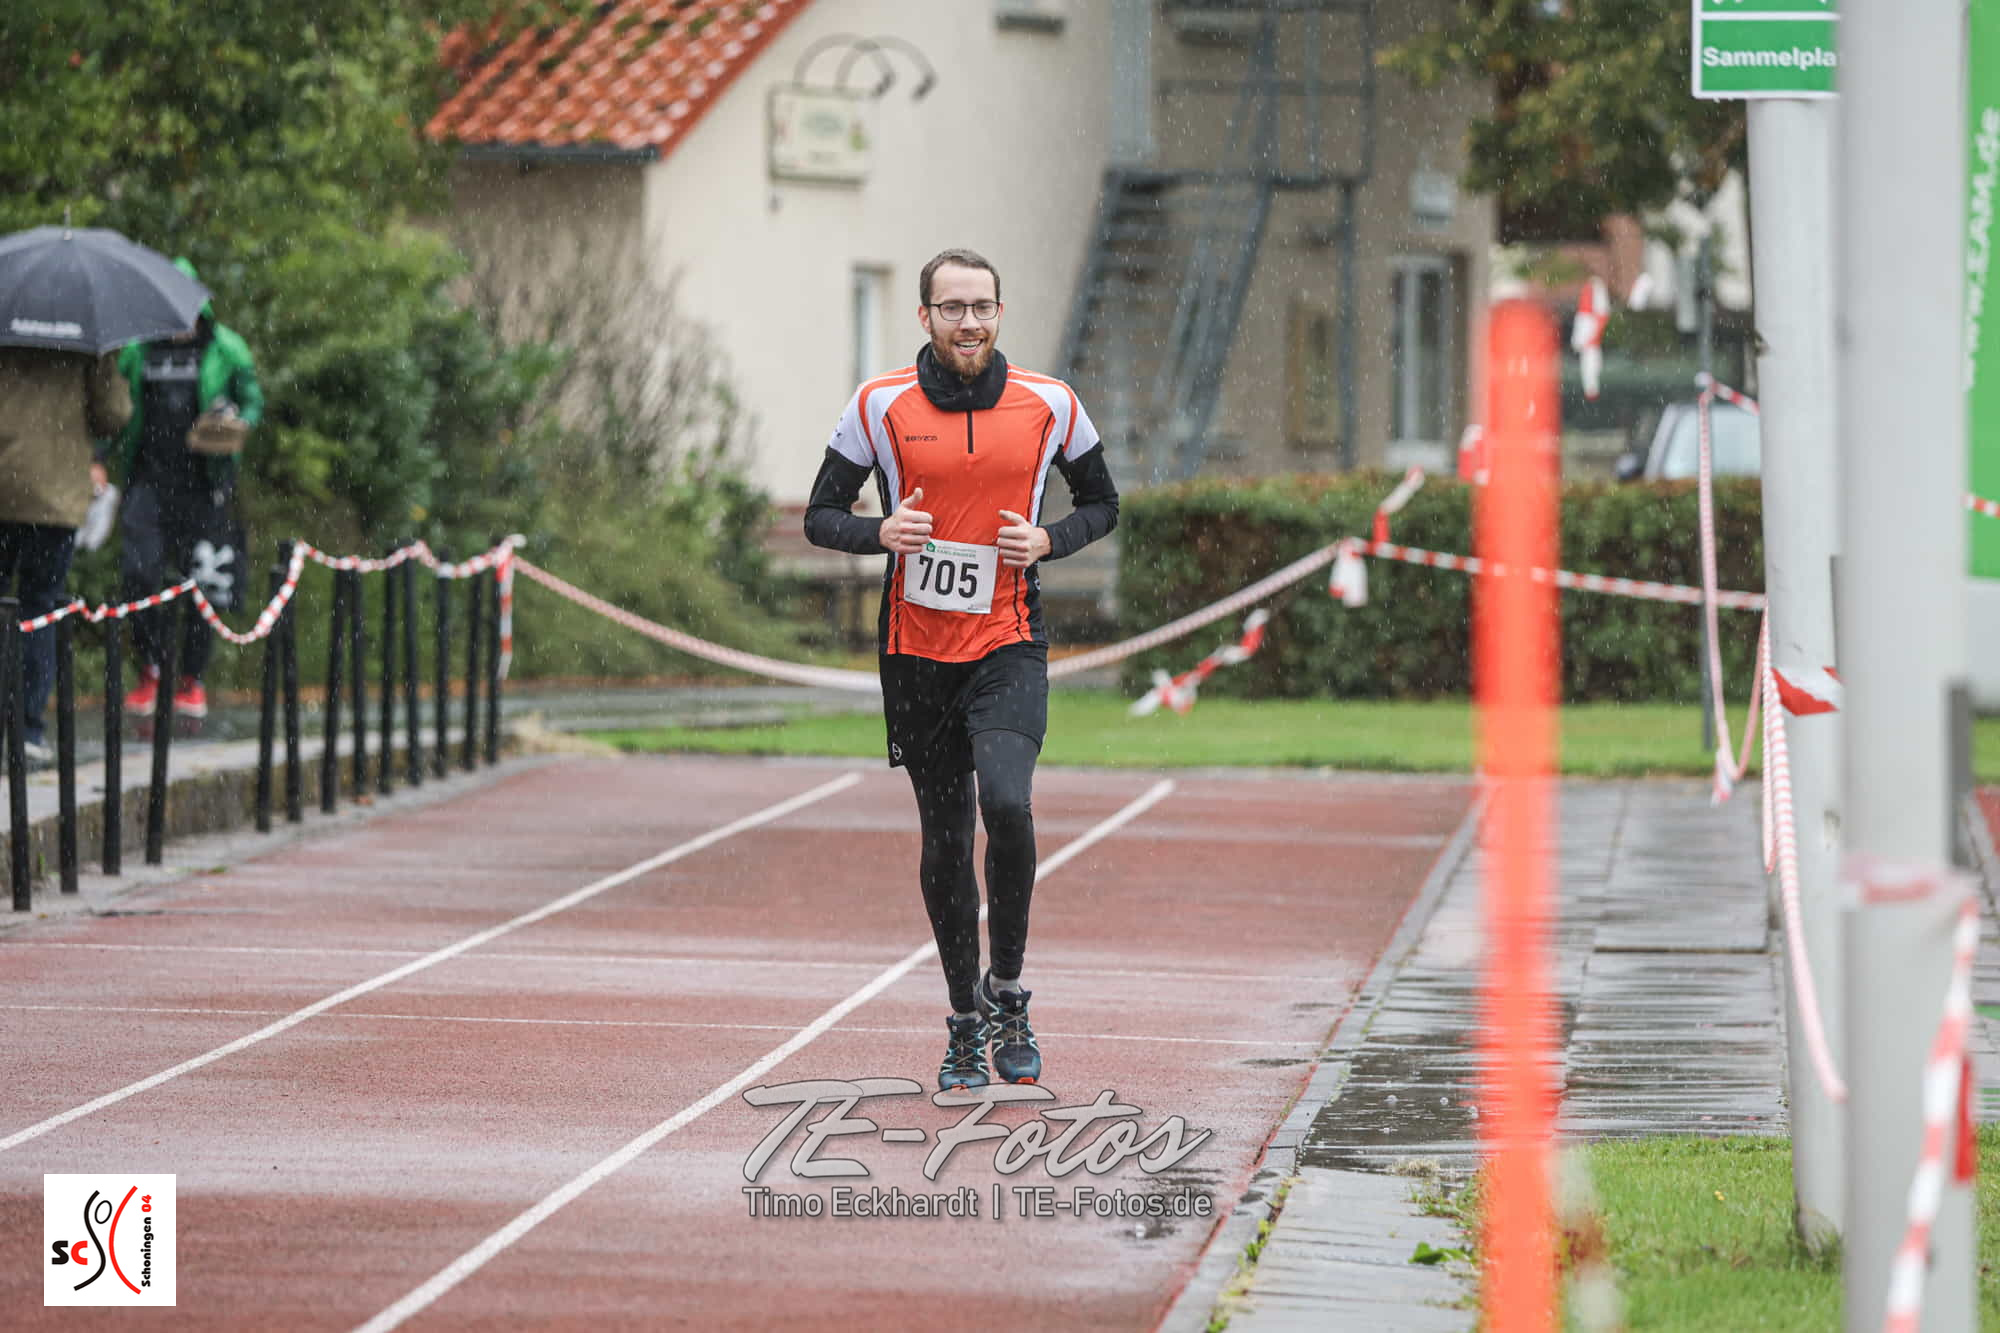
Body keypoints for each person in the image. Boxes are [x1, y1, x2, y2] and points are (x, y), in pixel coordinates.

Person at [804, 248, 1119, 1090]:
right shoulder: (879, 405)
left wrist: (1049, 539)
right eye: (953, 308)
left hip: (1009, 639)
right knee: (945, 838)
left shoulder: (1051, 402)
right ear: (926, 317)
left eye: (982, 307)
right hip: (915, 654)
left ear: (1000, 313)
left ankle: (1007, 990)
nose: (969, 322)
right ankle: (964, 1021)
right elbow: (821, 515)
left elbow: (1104, 503)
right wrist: (880, 534)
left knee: (1007, 804)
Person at [109, 258, 262, 720]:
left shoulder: (226, 347)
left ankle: (192, 678)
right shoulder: (139, 349)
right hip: (148, 483)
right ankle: (150, 670)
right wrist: (102, 457)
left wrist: (233, 420)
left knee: (202, 582)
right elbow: (119, 409)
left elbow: (252, 401)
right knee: (139, 575)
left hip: (205, 483)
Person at [0, 348, 133, 762]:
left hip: (1, 486)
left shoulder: (6, 321)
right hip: (55, 498)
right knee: (40, 606)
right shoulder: (87, 338)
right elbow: (113, 414)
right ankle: (27, 729)